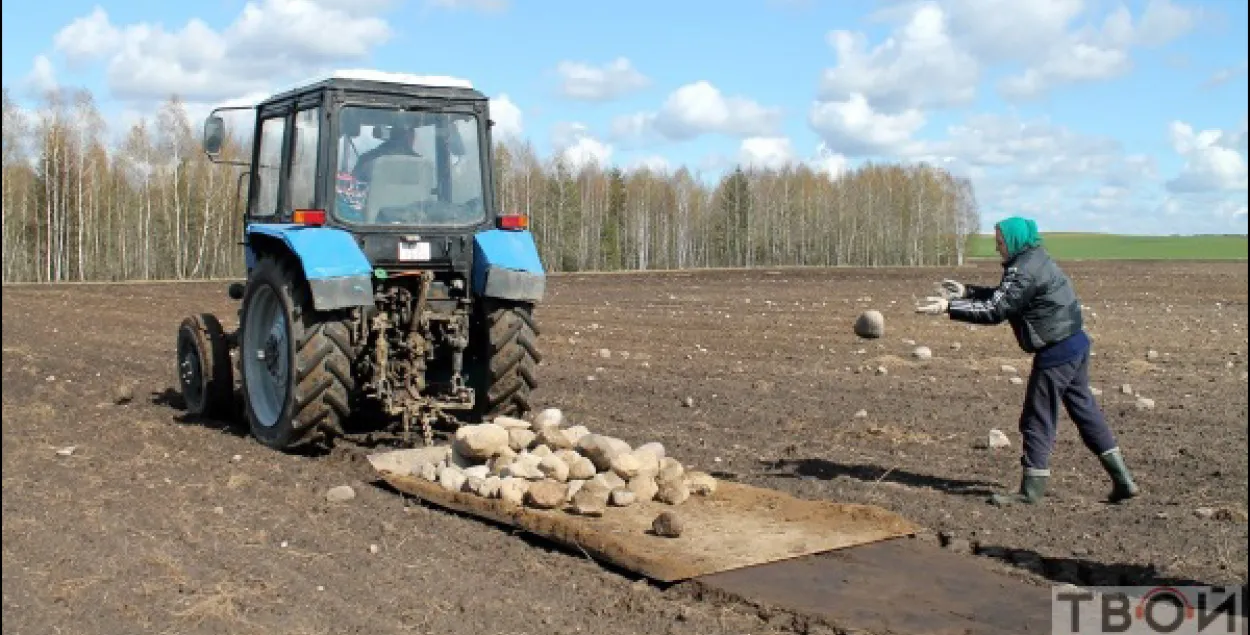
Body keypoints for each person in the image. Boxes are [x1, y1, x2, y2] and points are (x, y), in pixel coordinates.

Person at [914, 217, 1140, 506]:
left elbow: (996, 310)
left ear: (1014, 240)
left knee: (1037, 417)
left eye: (1000, 242)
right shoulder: (1035, 260)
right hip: (1075, 343)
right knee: (1085, 411)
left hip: (1056, 351)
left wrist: (949, 307)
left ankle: (1030, 491)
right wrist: (968, 292)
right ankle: (1124, 481)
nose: (998, 248)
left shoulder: (1023, 269)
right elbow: (1008, 297)